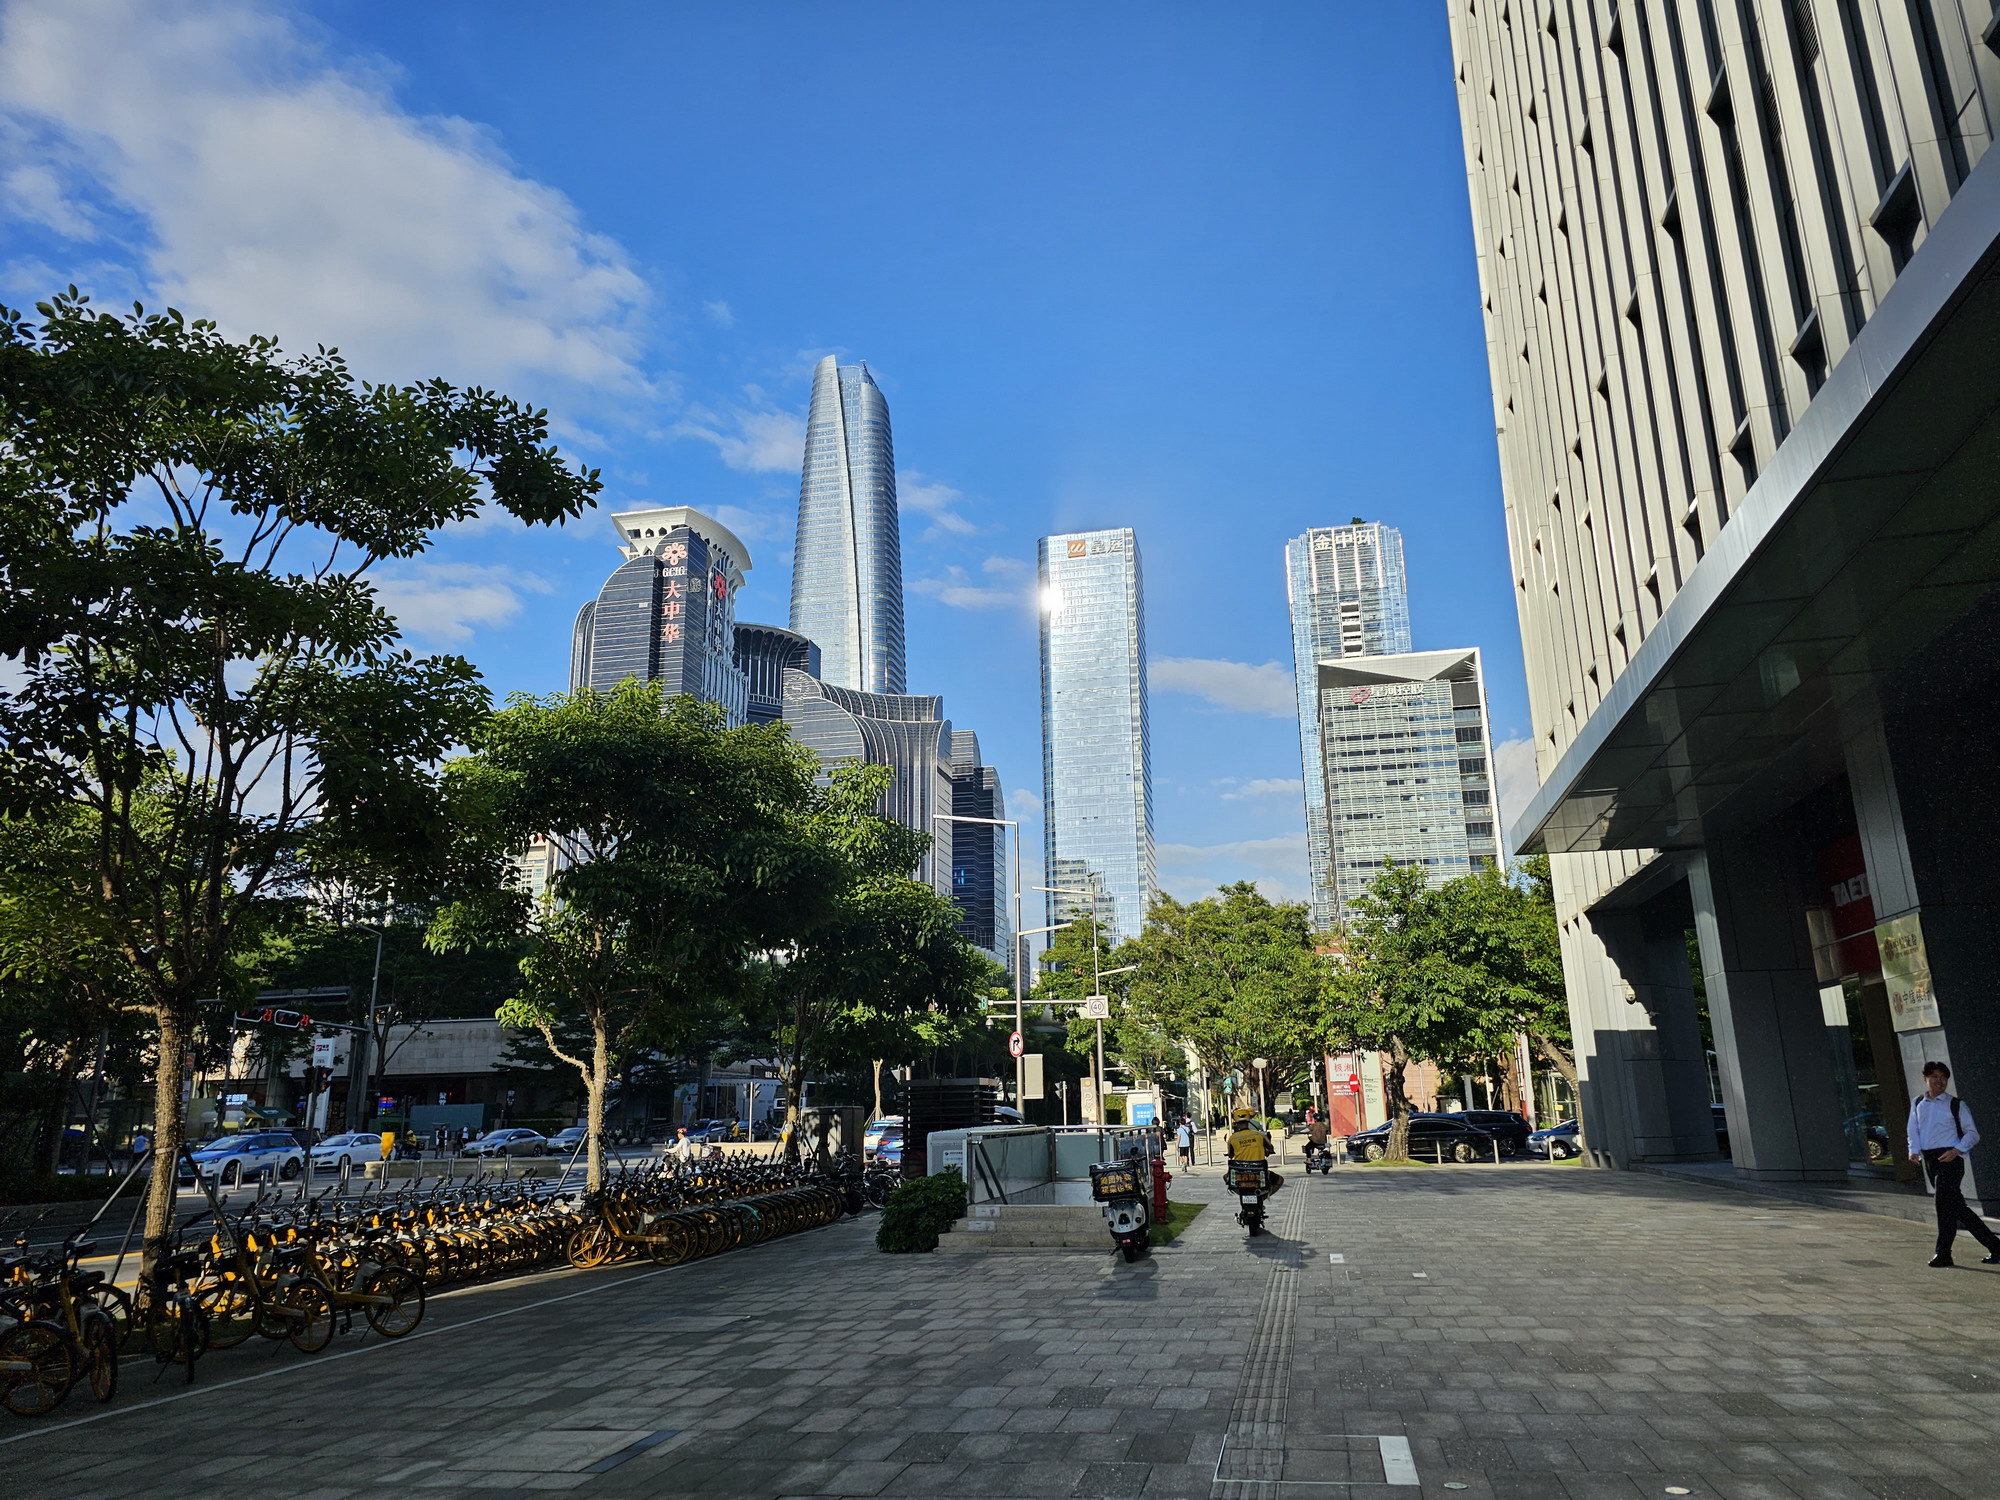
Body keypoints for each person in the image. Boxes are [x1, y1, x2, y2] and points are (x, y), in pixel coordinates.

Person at [1907, 1061, 2000, 1268]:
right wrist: (1913, 1150)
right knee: (1956, 1208)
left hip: (1951, 1159)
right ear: (1926, 1078)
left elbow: (1972, 1134)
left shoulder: (1956, 1104)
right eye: (1935, 1077)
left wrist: (1956, 1150)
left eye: (1943, 1077)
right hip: (1931, 1160)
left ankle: (1943, 1253)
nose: (1940, 1081)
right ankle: (1995, 1246)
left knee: (1943, 1205)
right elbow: (1913, 1129)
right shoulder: (1918, 1103)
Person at [1225, 1106, 1284, 1196]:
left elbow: (1230, 1154)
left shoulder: (1232, 1138)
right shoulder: (1259, 1135)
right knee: (1280, 1180)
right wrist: (1267, 1152)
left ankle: (1242, 1195)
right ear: (1248, 1121)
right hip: (1259, 1171)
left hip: (1240, 1172)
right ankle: (1263, 1198)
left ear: (1236, 1123)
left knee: (1226, 1178)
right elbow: (1270, 1148)